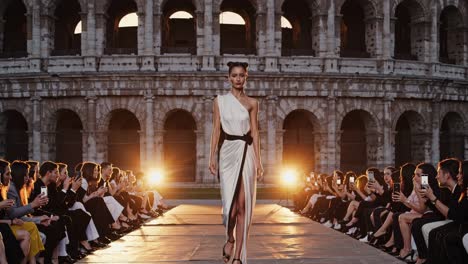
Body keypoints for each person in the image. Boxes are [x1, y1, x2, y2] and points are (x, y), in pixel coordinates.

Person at [209, 61, 263, 264]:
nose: (238, 79)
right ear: (228, 78)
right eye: (234, 75)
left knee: (242, 206)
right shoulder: (219, 101)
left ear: (246, 77)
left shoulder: (252, 103)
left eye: (242, 75)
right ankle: (229, 237)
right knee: (229, 208)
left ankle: (238, 256)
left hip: (247, 152)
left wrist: (259, 161)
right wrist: (211, 155)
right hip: (228, 153)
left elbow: (255, 132)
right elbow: (216, 129)